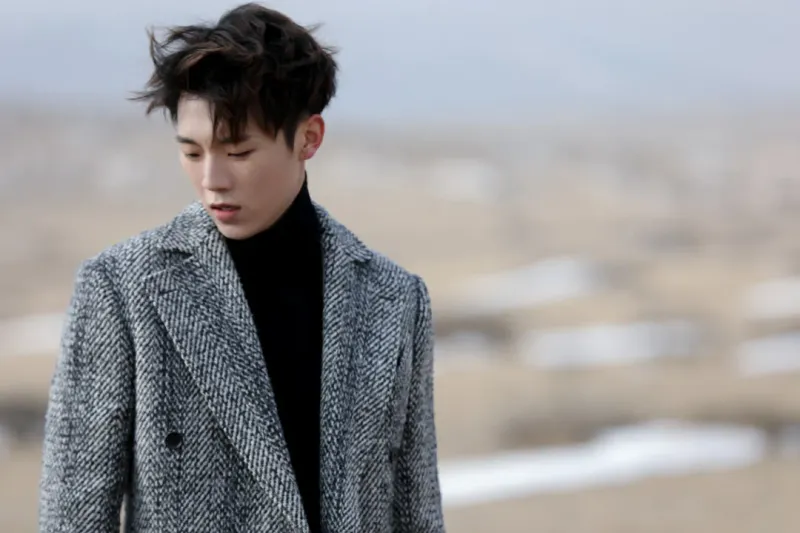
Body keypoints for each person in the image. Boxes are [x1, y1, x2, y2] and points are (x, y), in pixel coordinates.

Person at [38, 3, 445, 532]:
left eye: (238, 152)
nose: (212, 179)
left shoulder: (395, 298)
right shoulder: (121, 289)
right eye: (192, 153)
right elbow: (72, 519)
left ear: (309, 138)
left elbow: (417, 515)